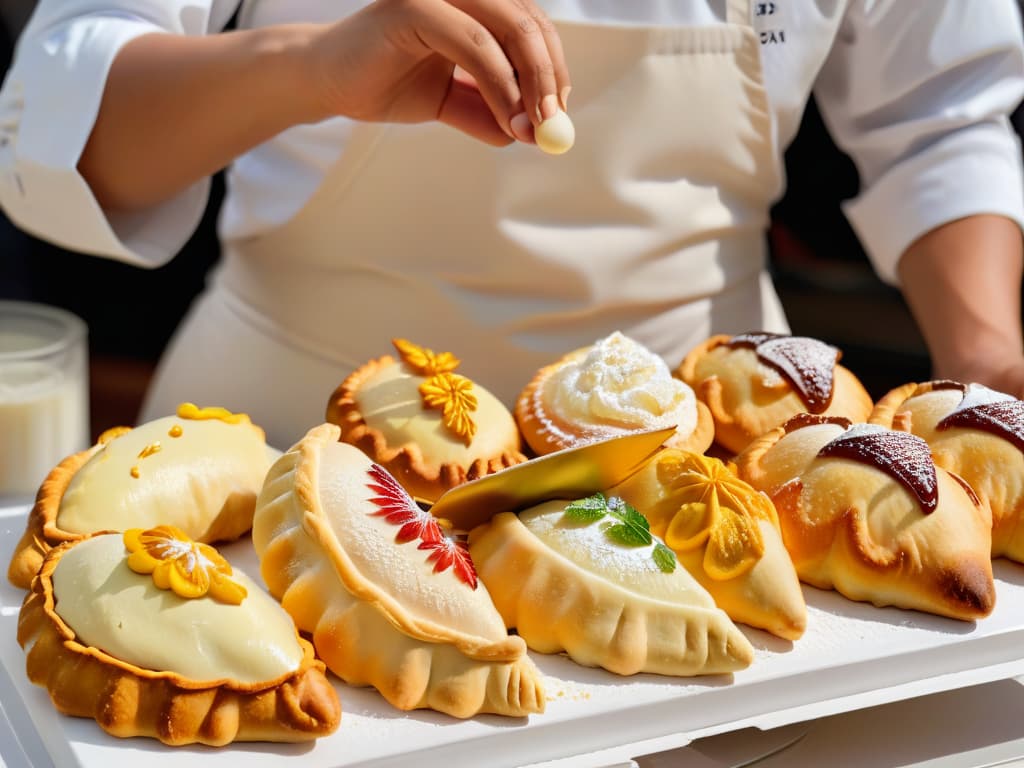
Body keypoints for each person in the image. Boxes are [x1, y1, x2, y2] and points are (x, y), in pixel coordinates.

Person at [1, 1, 1022, 452]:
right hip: (282, 448)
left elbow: (937, 119)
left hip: (710, 462)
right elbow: (57, 128)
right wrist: (311, 66)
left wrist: (984, 362)